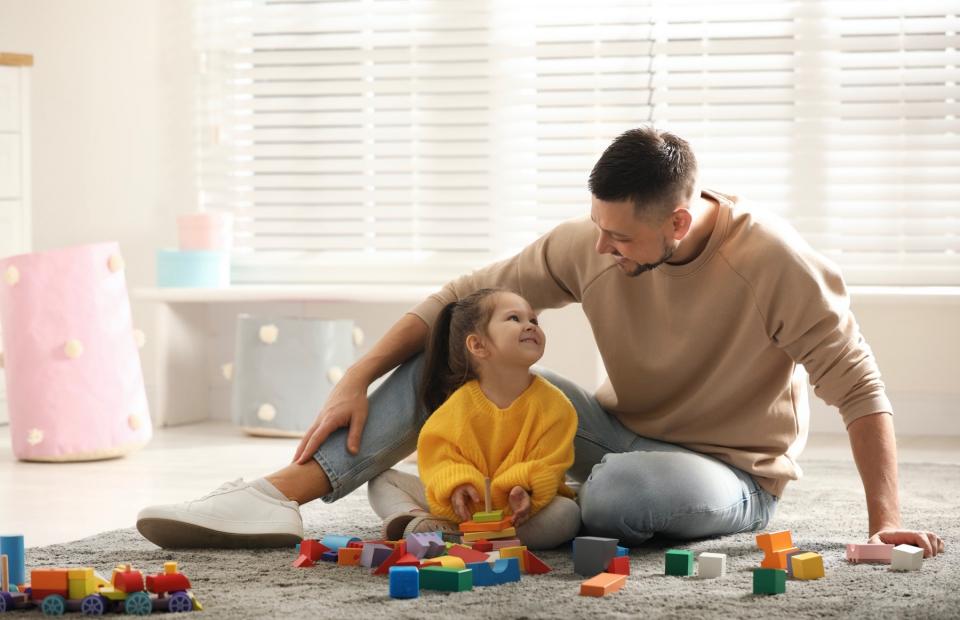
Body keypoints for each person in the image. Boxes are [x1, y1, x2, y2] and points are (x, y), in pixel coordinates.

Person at [137, 126, 944, 558]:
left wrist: (883, 525)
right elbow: (459, 300)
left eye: (620, 238)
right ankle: (280, 497)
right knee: (466, 344)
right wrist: (356, 375)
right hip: (615, 432)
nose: (599, 251)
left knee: (624, 495)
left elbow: (861, 393)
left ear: (676, 220)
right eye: (596, 228)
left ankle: (473, 503)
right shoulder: (596, 241)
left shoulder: (775, 264)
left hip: (729, 474)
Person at [366, 288, 581, 549]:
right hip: (459, 509)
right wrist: (456, 485)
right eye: (515, 318)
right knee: (381, 481)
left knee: (566, 514)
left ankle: (470, 539)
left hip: (518, 512)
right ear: (478, 345)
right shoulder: (455, 407)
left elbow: (548, 464)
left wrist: (523, 489)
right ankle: (421, 519)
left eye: (533, 320)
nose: (530, 326)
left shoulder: (557, 406)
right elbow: (439, 458)